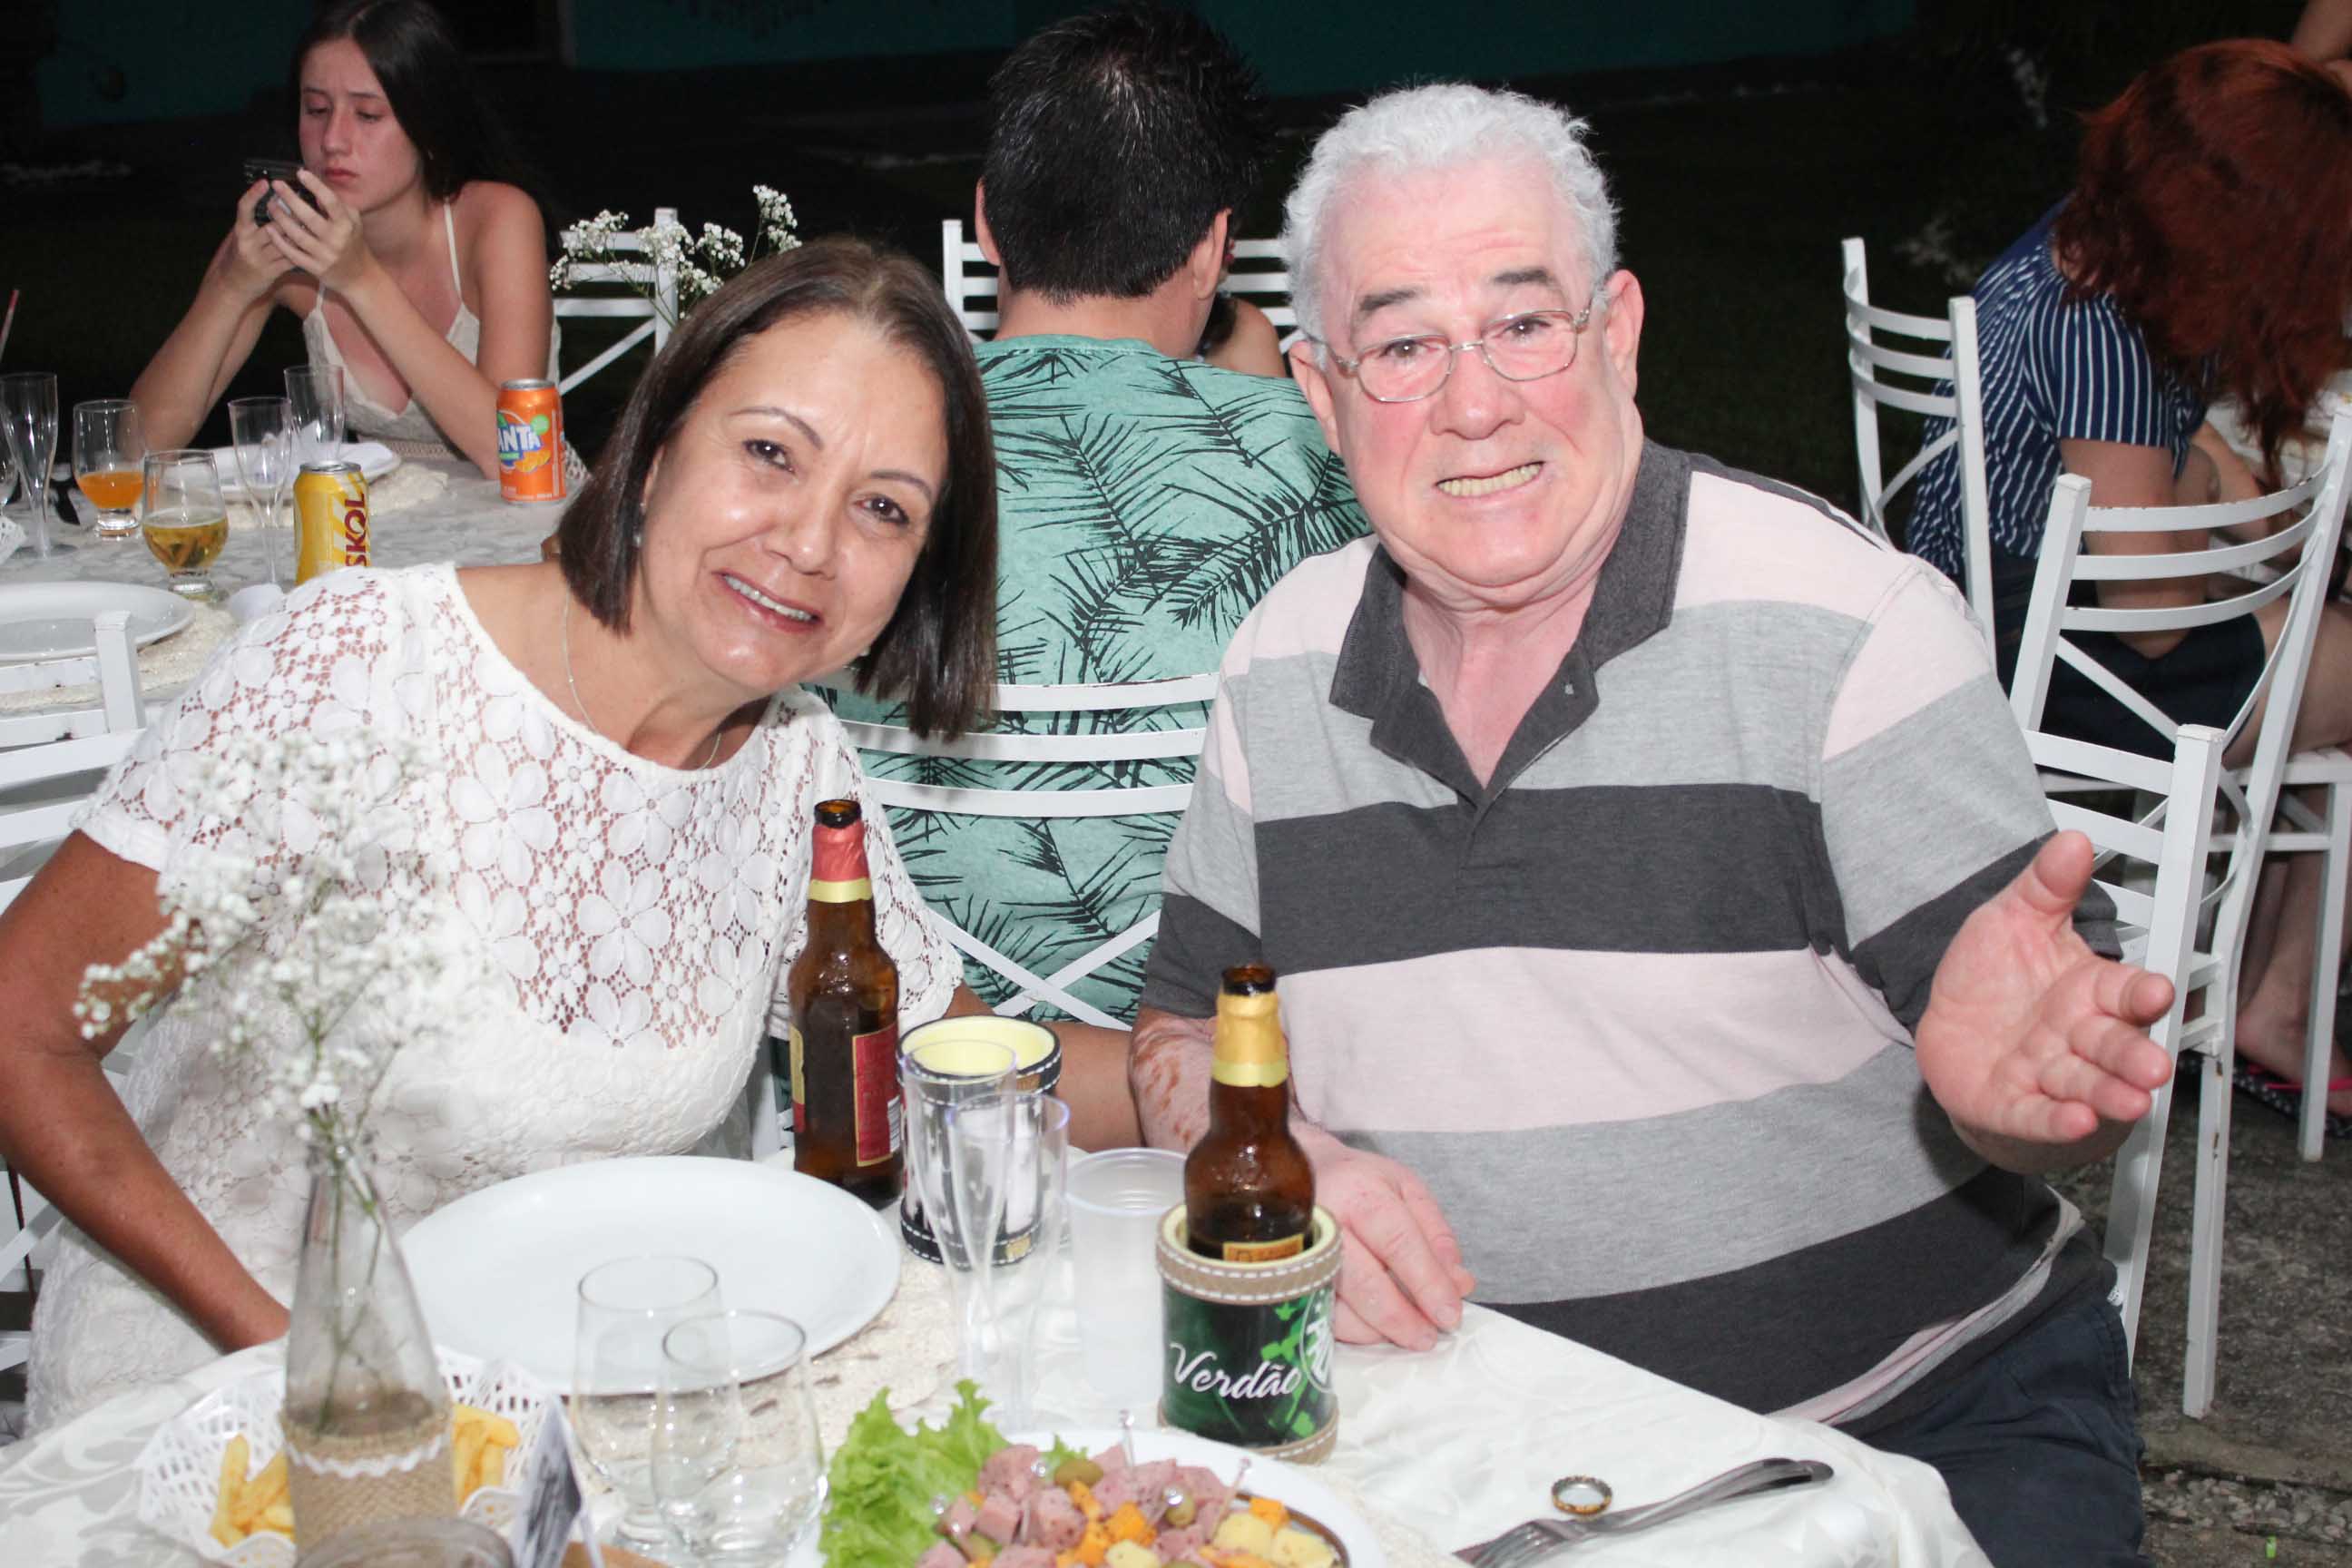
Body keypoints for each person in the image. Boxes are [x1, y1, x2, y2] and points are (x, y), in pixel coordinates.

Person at [1131, 83, 2180, 1567]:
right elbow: (1179, 1031)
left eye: (1523, 324)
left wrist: (2026, 1096)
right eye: (1405, 346)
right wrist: (1279, 1168)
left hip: (1898, 1437)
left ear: (1616, 333)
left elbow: (2051, 1069)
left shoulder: (1844, 631)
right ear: (1321, 389)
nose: (1474, 403)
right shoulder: (1278, 667)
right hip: (1475, 1455)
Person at [0, 238, 1132, 1433]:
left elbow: (961, 1060)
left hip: (573, 1406)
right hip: (228, 1386)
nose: (809, 542)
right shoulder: (357, 669)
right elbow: (23, 1035)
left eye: (883, 509)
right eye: (768, 453)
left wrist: (1214, 1072)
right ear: (654, 451)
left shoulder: (798, 769)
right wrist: (305, 1365)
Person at [830, 3, 1364, 1028]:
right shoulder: (1334, 462)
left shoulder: (845, 456)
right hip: (1232, 1034)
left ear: (987, 222)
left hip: (892, 1027)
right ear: (1214, 250)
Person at [1907, 40, 2352, 1123]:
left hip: (1991, 615)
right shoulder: (2108, 326)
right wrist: (2243, 543)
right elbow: (2151, 614)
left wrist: (2214, 489)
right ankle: (2278, 1002)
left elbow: (2156, 472)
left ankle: (2260, 987)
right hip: (2055, 659)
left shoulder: (2087, 241)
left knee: (2323, 653)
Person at [130, 0, 555, 477]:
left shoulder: (496, 219)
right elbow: (135, 449)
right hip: (374, 511)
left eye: (368, 115)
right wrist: (229, 289)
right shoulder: (286, 231)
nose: (332, 139)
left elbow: (517, 455)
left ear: (430, 127)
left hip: (525, 507)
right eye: (316, 109)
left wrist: (360, 280)